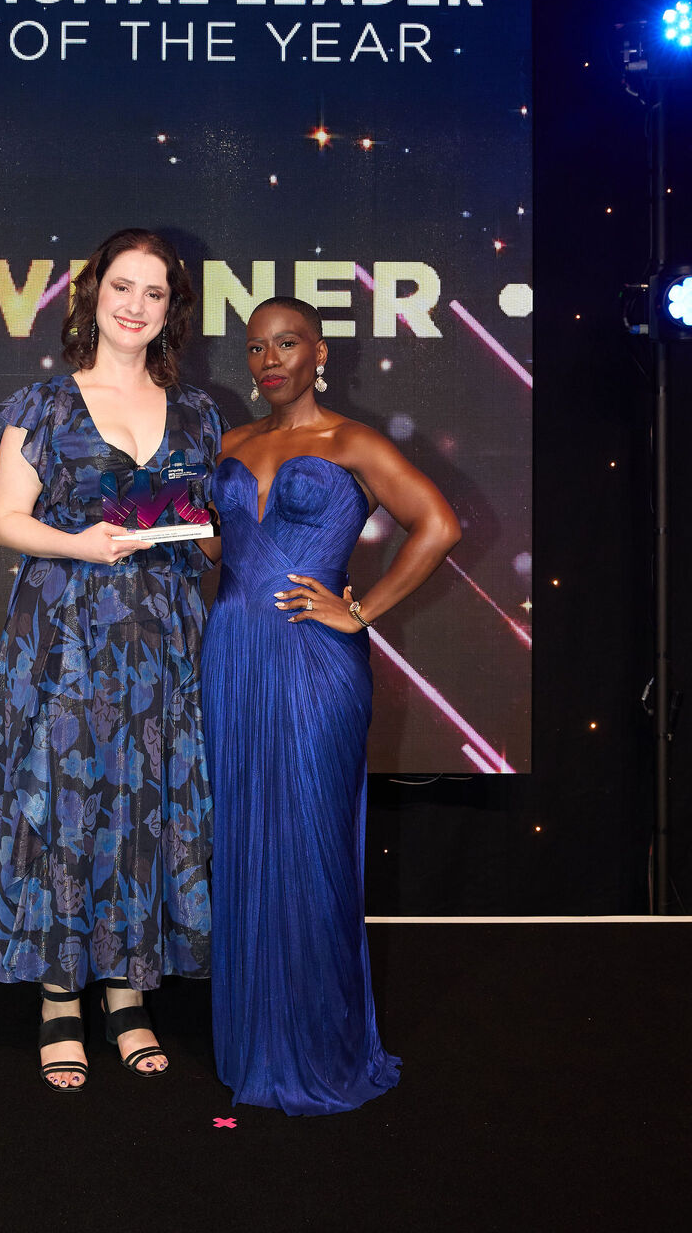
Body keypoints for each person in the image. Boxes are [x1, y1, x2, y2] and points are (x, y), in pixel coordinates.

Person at [0, 229, 225, 1093]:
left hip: (165, 639)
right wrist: (82, 544)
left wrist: (209, 535)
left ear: (172, 309)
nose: (135, 305)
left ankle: (126, 991)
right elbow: (5, 520)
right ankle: (58, 999)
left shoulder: (199, 413)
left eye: (155, 292)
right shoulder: (44, 403)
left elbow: (208, 531)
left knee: (145, 804)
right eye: (123, 286)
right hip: (67, 635)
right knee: (65, 802)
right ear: (92, 294)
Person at [202, 296, 461, 1116]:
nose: (269, 361)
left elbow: (438, 525)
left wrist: (362, 610)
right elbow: (215, 547)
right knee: (244, 835)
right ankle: (256, 1040)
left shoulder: (353, 443)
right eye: (255, 348)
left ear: (320, 353)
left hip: (316, 661)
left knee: (310, 840)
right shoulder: (229, 444)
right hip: (232, 656)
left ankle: (320, 1046)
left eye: (286, 344)